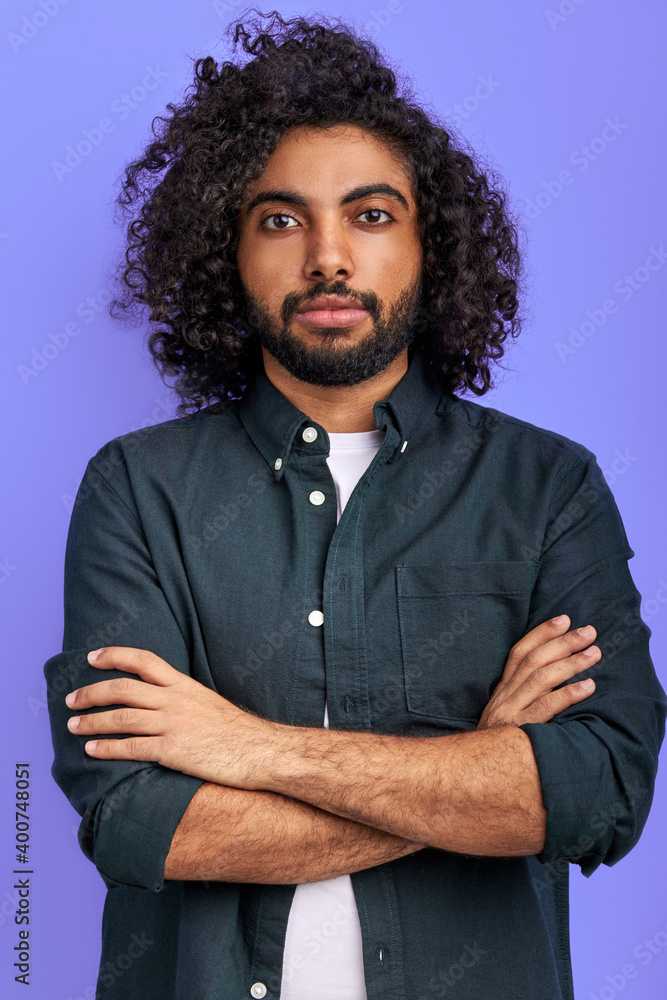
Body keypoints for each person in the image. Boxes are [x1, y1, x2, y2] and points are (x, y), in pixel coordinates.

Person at [44, 10, 666, 1000]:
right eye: (280, 219)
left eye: (370, 215)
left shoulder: (548, 487)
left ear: (431, 244)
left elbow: (596, 797)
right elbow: (140, 824)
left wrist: (245, 746)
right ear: (225, 249)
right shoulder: (138, 488)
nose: (327, 257)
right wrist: (475, 767)